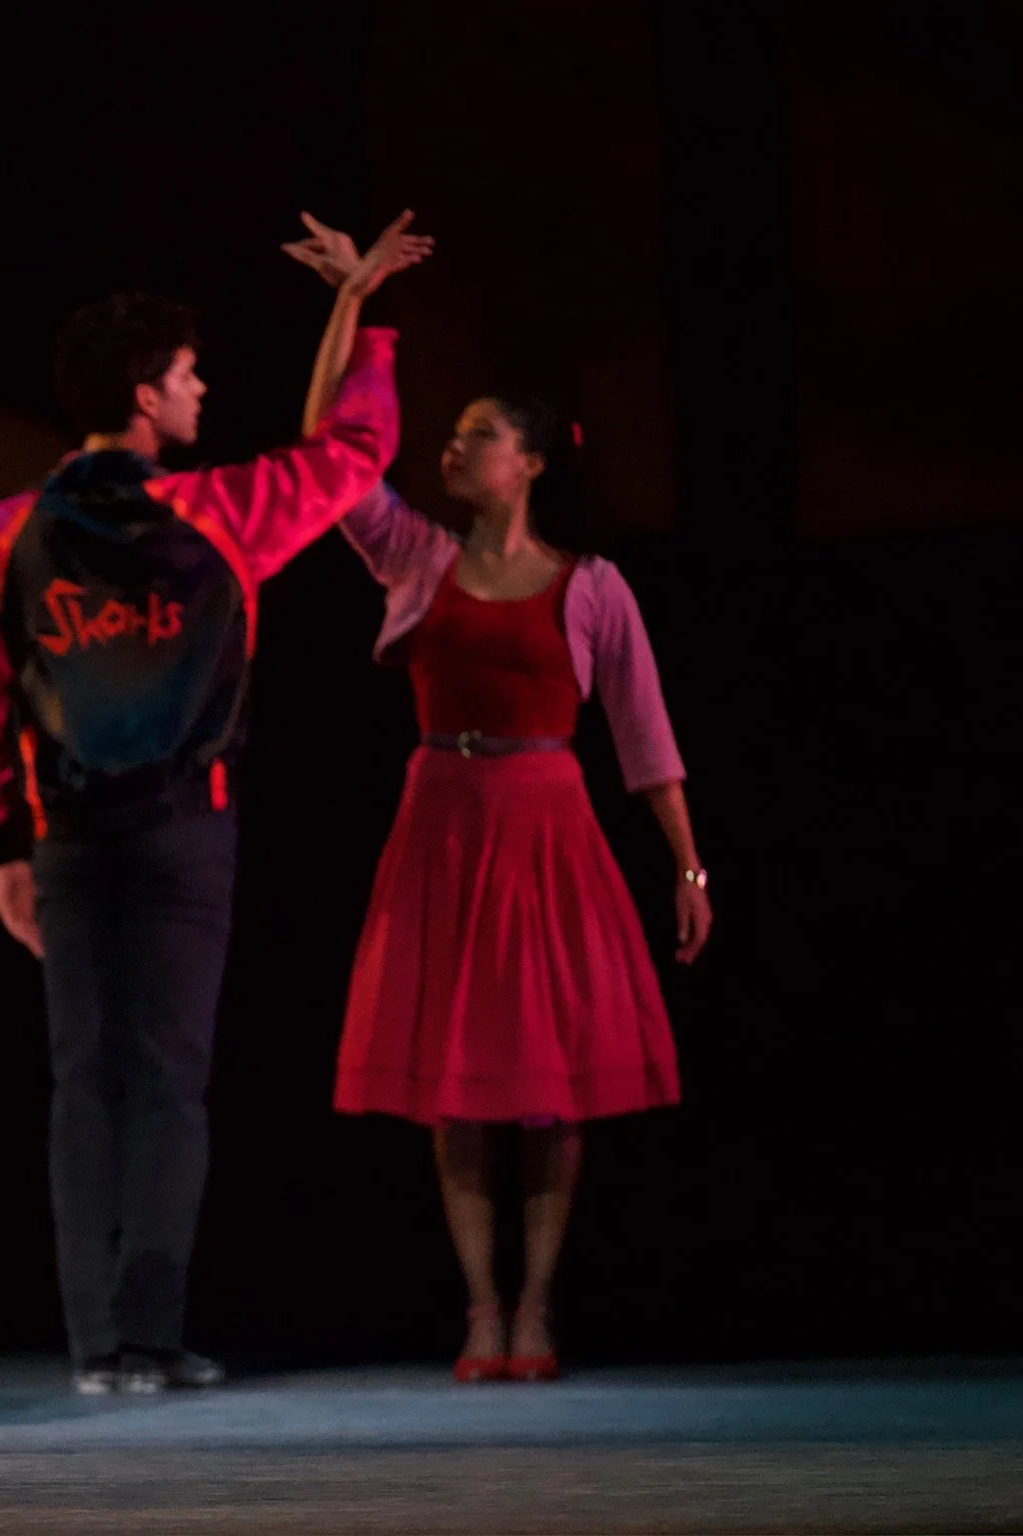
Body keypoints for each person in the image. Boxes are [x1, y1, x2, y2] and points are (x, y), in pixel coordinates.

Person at [0, 214, 431, 1395]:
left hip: (62, 841)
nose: (204, 387)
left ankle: (97, 1348)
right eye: (190, 373)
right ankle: (145, 1341)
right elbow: (355, 448)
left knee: (84, 1085)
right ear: (148, 396)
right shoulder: (225, 511)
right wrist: (364, 320)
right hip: (183, 835)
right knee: (164, 1080)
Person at [288, 206, 714, 1385]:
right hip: (442, 821)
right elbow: (328, 450)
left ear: (525, 461)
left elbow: (647, 738)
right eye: (455, 433)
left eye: (477, 436)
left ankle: (537, 1305)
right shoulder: (416, 557)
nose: (452, 447)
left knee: (547, 1085)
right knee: (459, 1089)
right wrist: (352, 298)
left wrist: (685, 866)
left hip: (547, 828)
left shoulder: (593, 588)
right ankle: (481, 1310)